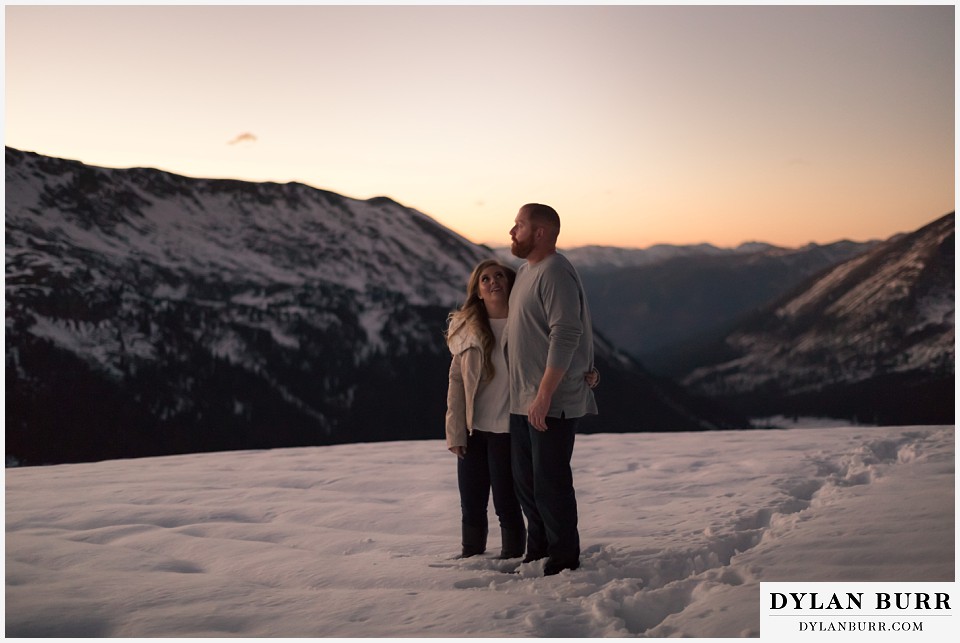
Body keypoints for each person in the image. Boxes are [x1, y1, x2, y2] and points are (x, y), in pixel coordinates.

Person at [505, 203, 598, 576]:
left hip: (550, 401)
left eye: (519, 225)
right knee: (527, 484)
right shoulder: (527, 271)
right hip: (522, 399)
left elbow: (567, 332)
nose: (512, 231)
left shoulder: (556, 271)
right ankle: (538, 549)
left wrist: (544, 395)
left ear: (540, 232)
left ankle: (562, 560)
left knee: (550, 482)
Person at [444, 259, 526, 559]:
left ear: (510, 282)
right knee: (471, 502)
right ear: (477, 291)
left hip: (509, 430)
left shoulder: (526, 323)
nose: (493, 282)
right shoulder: (466, 330)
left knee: (507, 502)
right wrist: (455, 433)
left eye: (499, 276)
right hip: (473, 429)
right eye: (485, 279)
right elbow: (456, 382)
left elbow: (557, 354)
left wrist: (586, 373)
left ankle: (514, 556)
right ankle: (470, 555)